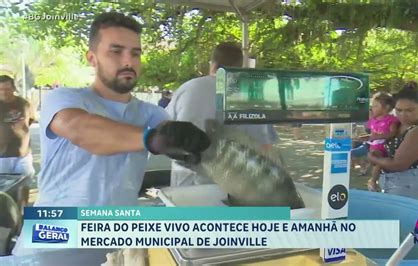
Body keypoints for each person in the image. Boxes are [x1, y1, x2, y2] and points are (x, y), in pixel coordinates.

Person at [12, 12, 209, 256]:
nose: (128, 61)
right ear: (92, 58)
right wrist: (151, 139)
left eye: (135, 53)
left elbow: (183, 146)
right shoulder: (65, 98)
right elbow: (82, 130)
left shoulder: (151, 114)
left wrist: (193, 147)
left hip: (116, 238)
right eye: (116, 51)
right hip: (53, 233)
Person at [166, 42, 279, 186]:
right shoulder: (253, 97)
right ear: (240, 67)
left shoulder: (189, 88)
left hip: (188, 188)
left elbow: (164, 131)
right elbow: (266, 150)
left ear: (213, 64)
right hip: (238, 189)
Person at [368, 81, 418, 201]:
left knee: (413, 220)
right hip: (396, 184)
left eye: (409, 110)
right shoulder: (399, 125)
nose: (403, 114)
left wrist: (372, 158)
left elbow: (398, 164)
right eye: (398, 110)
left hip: (413, 186)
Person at [0, 75, 36, 216]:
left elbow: (30, 120)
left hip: (23, 154)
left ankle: (23, 214)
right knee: (4, 191)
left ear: (14, 88)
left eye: (7, 89)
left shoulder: (24, 104)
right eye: (1, 89)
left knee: (24, 184)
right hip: (2, 156)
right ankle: (6, 220)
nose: (4, 92)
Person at [365, 92, 399, 191]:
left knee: (378, 161)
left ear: (386, 107)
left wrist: (379, 136)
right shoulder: (373, 120)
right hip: (373, 146)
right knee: (374, 162)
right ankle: (373, 178)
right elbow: (371, 134)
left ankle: (373, 181)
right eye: (372, 106)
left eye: (376, 106)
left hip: (384, 146)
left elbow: (393, 133)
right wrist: (366, 137)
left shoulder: (391, 120)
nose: (372, 108)